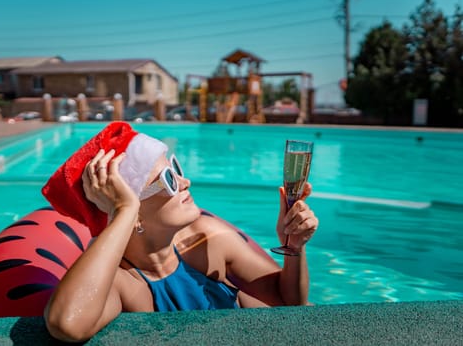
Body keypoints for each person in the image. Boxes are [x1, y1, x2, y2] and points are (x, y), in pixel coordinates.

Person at [41, 122, 318, 342]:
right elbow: (67, 323)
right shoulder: (123, 281)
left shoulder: (208, 241)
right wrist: (124, 211)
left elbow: (289, 303)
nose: (185, 182)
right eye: (168, 180)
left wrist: (293, 246)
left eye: (175, 168)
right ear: (132, 209)